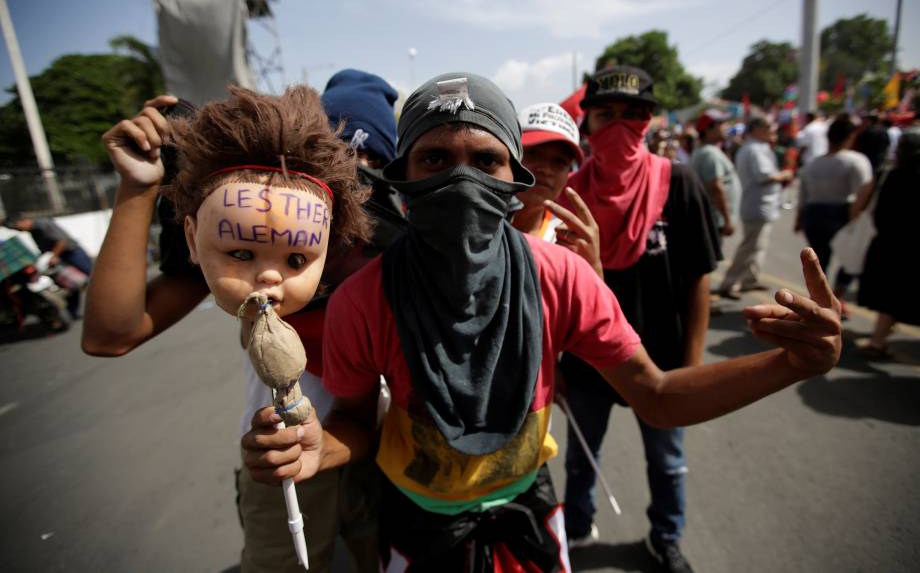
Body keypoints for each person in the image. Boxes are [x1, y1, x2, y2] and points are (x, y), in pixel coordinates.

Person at [242, 72, 842, 572]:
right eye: (435, 158)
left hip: (528, 511)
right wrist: (321, 447)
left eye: (485, 160)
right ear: (402, 178)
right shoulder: (363, 300)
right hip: (417, 524)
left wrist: (790, 364)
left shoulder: (563, 277)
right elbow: (352, 419)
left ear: (513, 183)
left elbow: (656, 397)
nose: (461, 177)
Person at [83, 71, 404, 573]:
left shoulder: (393, 260)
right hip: (279, 464)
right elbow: (112, 333)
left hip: (379, 456)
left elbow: (363, 413)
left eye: (371, 164)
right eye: (342, 157)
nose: (271, 274)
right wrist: (138, 188)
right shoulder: (246, 242)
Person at [555, 66, 720, 572]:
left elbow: (698, 282)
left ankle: (665, 536)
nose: (621, 129)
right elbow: (555, 285)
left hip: (664, 360)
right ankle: (576, 530)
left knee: (668, 462)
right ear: (588, 125)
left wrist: (691, 366)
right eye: (607, 116)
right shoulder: (571, 194)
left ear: (650, 122)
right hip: (588, 360)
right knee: (583, 457)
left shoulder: (680, 184)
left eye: (635, 115)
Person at [510, 102, 601, 275]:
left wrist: (593, 268)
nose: (545, 169)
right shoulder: (476, 223)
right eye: (532, 154)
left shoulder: (571, 241)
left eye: (559, 162)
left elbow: (594, 303)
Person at [795, 115, 872, 318]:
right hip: (841, 213)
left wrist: (799, 218)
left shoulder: (812, 164)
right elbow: (864, 191)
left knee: (820, 261)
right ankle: (835, 296)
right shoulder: (855, 161)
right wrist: (855, 217)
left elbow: (803, 196)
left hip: (814, 214)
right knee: (851, 259)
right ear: (850, 136)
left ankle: (823, 300)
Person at [857, 126, 920, 357]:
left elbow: (868, 207)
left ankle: (878, 339)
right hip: (908, 246)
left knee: (890, 296)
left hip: (888, 243)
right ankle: (878, 340)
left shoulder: (887, 175)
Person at [718, 118, 793, 300]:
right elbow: (764, 175)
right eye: (767, 127)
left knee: (758, 245)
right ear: (756, 129)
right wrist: (784, 174)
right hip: (757, 204)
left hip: (762, 203)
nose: (771, 130)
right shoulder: (754, 149)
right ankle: (729, 282)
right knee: (750, 245)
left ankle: (749, 278)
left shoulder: (758, 147)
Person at [12, 215, 93, 319]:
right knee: (69, 284)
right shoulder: (33, 232)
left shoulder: (43, 224)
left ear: (24, 221)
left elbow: (62, 241)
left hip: (72, 253)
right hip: (60, 258)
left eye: (18, 227)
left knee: (92, 278)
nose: (19, 230)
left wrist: (54, 256)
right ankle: (74, 312)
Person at [688, 109, 739, 244]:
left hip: (711, 220)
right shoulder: (709, 153)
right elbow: (716, 188)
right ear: (708, 129)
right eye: (721, 123)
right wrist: (728, 220)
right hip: (714, 221)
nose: (726, 127)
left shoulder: (707, 150)